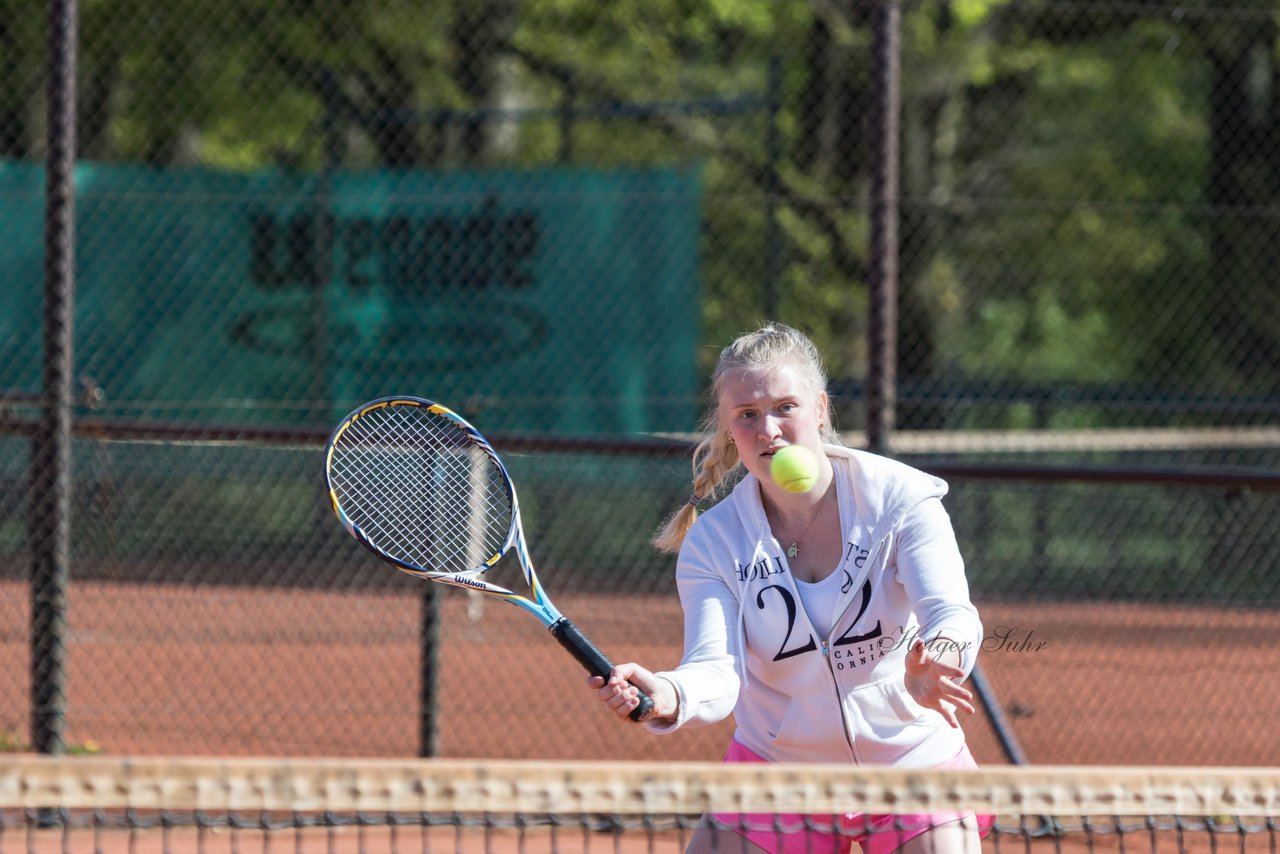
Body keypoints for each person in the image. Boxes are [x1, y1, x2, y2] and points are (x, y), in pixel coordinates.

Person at [588, 323, 991, 854]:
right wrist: (668, 694)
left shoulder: (901, 500)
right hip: (777, 775)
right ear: (729, 429)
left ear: (821, 409)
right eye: (747, 415)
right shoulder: (713, 542)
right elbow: (716, 670)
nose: (769, 430)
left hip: (912, 765)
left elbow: (952, 614)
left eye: (785, 407)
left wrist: (940, 656)